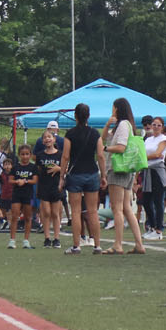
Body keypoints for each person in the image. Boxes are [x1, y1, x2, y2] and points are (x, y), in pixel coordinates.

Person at [101, 97, 146, 255]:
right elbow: (104, 137)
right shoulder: (126, 125)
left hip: (118, 170)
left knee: (117, 208)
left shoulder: (122, 125)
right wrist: (108, 124)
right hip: (127, 171)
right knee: (126, 208)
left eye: (113, 108)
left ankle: (118, 244)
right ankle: (139, 244)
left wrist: (105, 149)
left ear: (117, 109)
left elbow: (120, 147)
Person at [61, 103, 106, 254]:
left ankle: (76, 245)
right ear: (88, 116)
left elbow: (66, 156)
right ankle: (97, 245)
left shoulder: (70, 134)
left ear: (75, 116)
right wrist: (103, 175)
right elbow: (100, 155)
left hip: (75, 174)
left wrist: (62, 176)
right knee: (92, 211)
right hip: (92, 173)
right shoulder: (95, 133)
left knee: (75, 211)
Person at [142, 116, 166, 241]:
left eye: (159, 125)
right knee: (146, 201)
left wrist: (144, 158)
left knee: (158, 202)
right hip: (147, 171)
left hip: (158, 172)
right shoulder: (148, 140)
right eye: (154, 124)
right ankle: (152, 227)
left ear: (162, 127)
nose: (156, 127)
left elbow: (158, 154)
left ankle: (159, 230)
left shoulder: (164, 139)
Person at [35, 128, 64, 248]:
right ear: (42, 141)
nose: (47, 139)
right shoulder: (40, 155)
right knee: (46, 212)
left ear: (54, 139)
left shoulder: (60, 154)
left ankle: (56, 238)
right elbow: (38, 171)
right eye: (45, 138)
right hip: (44, 186)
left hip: (56, 185)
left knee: (55, 213)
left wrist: (59, 169)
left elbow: (67, 169)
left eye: (49, 137)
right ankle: (47, 238)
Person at [6, 144, 38, 249]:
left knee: (28, 217)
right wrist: (17, 181)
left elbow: (35, 180)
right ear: (19, 155)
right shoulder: (15, 167)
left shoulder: (33, 167)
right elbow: (10, 180)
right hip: (17, 194)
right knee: (15, 216)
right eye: (22, 154)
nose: (25, 156)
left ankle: (26, 240)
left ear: (30, 155)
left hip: (28, 194)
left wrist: (25, 181)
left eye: (27, 154)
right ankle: (12, 240)